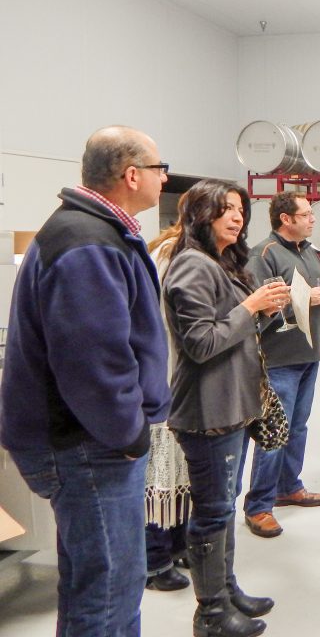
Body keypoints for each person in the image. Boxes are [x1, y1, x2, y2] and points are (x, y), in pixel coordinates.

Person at [0, 126, 170, 636]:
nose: (164, 177)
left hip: (87, 440)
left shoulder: (97, 232)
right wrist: (128, 432)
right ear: (132, 174)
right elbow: (93, 358)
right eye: (159, 168)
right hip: (88, 444)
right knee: (111, 588)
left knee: (91, 581)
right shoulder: (87, 241)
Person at [163, 179, 289, 637]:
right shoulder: (192, 266)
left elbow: (234, 330)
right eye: (226, 209)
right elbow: (200, 342)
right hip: (207, 412)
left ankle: (227, 590)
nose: (237, 217)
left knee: (223, 506)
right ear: (202, 214)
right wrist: (251, 306)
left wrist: (267, 308)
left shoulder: (221, 262)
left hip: (231, 406)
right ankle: (211, 613)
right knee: (212, 512)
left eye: (240, 209)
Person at [241, 191, 320, 538]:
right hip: (279, 358)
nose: (313, 219)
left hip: (308, 353)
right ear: (286, 219)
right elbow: (262, 305)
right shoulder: (264, 254)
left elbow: (316, 290)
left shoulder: (309, 252)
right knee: (273, 433)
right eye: (307, 214)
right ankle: (258, 506)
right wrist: (308, 297)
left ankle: (288, 487)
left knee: (297, 428)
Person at [143, 211, 192, 592]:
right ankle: (154, 558)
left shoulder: (186, 251)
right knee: (160, 466)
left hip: (181, 375)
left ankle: (177, 543)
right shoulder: (170, 253)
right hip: (163, 372)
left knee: (181, 464)